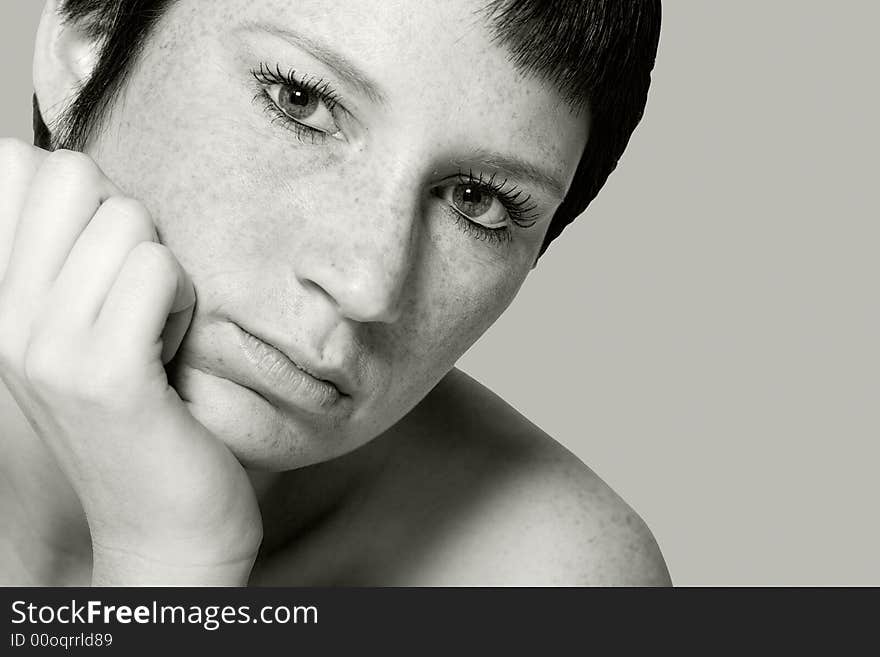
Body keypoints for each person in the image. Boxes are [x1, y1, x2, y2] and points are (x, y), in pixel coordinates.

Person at [0, 0, 669, 585]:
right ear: (88, 33)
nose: (367, 286)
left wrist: (168, 565)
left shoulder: (547, 579)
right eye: (301, 101)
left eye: (477, 200)